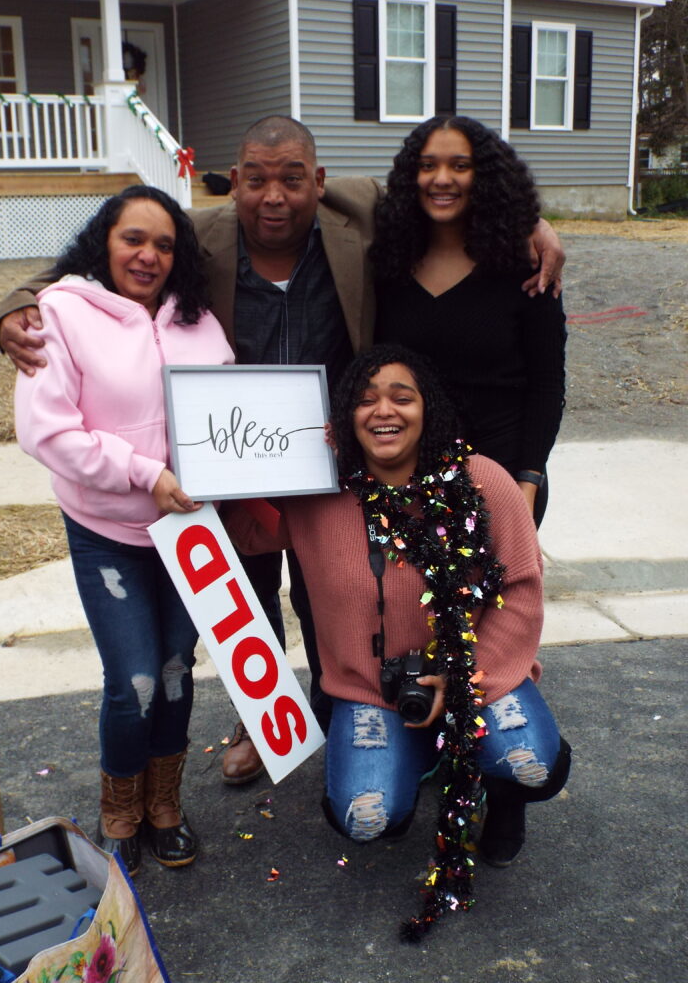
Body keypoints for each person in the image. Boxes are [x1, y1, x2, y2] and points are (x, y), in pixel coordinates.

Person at [0, 115, 566, 783]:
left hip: (340, 456)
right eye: (257, 179)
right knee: (249, 592)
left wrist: (534, 223)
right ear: (234, 183)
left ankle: (350, 707)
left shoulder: (361, 223)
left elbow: (451, 196)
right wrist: (19, 303)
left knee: (343, 590)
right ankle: (258, 719)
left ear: (319, 184)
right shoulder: (201, 239)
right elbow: (101, 262)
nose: (275, 195)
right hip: (239, 457)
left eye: (293, 179)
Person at [223, 344, 571, 938]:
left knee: (534, 765)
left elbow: (520, 587)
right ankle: (420, 756)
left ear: (426, 408)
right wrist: (201, 480)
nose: (383, 410)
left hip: (473, 676)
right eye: (364, 399)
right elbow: (248, 530)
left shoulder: (481, 480)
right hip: (371, 689)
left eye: (400, 396)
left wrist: (465, 677)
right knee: (366, 817)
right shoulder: (315, 492)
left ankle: (486, 786)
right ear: (344, 419)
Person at [13, 185, 235, 875]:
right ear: (103, 242)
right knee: (133, 679)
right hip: (107, 529)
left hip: (190, 535)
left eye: (165, 245)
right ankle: (119, 812)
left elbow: (231, 407)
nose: (148, 255)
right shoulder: (61, 313)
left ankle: (163, 807)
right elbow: (46, 431)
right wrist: (145, 474)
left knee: (174, 672)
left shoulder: (199, 322)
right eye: (133, 239)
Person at [372, 116, 566, 527]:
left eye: (460, 166)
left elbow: (547, 386)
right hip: (408, 481)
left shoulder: (526, 266)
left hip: (502, 478)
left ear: (486, 177)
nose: (442, 179)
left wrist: (527, 482)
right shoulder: (387, 262)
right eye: (428, 166)